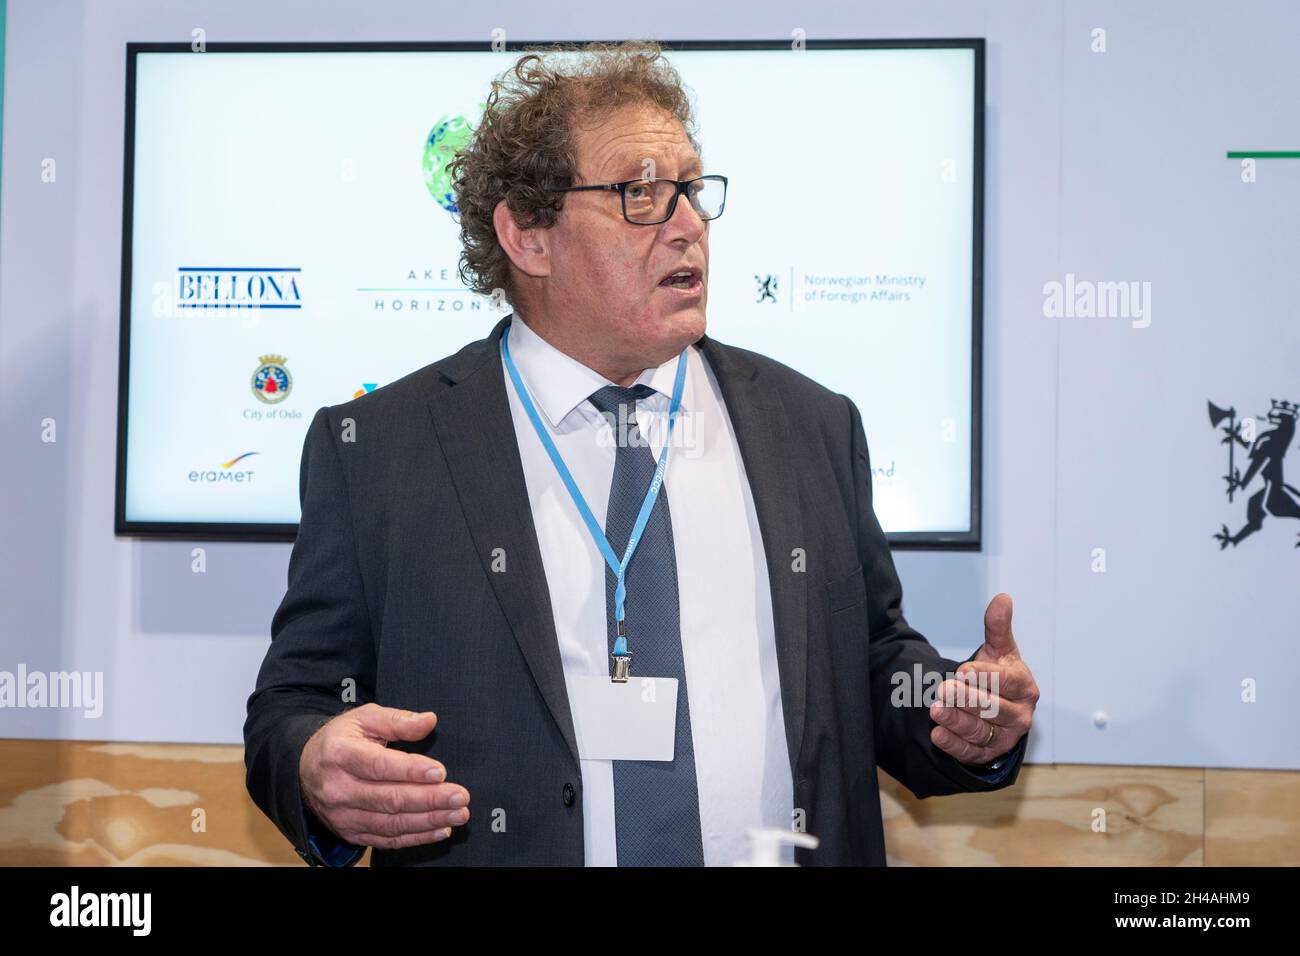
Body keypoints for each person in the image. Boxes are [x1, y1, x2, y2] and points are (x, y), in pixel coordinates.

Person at [243, 40, 1038, 867]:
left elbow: (871, 667)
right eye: (641, 193)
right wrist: (311, 764)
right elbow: (292, 705)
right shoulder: (378, 450)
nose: (689, 223)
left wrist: (953, 712)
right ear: (528, 235)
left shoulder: (811, 426)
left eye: (692, 190)